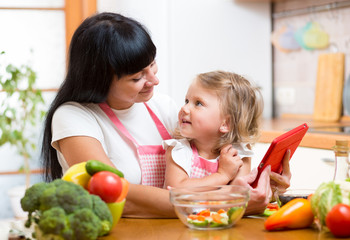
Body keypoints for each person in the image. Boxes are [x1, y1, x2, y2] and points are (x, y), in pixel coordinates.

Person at [41, 12, 290, 218]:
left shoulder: (163, 106)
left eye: (152, 65)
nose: (154, 80)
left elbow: (214, 158)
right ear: (99, 80)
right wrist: (228, 201)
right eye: (137, 77)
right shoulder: (74, 117)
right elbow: (115, 195)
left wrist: (259, 183)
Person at [163, 71, 261, 189]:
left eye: (198, 103)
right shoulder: (179, 150)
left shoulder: (239, 152)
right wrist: (222, 175)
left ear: (226, 124)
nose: (184, 108)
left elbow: (237, 194)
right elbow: (176, 189)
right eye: (187, 101)